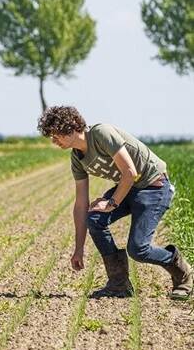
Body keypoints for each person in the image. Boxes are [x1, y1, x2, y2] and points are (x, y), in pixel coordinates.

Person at [37, 106, 192, 299]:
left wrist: (110, 203)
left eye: (55, 135)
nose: (54, 141)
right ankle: (119, 284)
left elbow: (130, 172)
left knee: (138, 250)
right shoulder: (77, 158)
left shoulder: (101, 133)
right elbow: (80, 204)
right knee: (94, 218)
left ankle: (183, 273)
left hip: (154, 187)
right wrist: (79, 249)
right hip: (128, 188)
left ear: (70, 128)